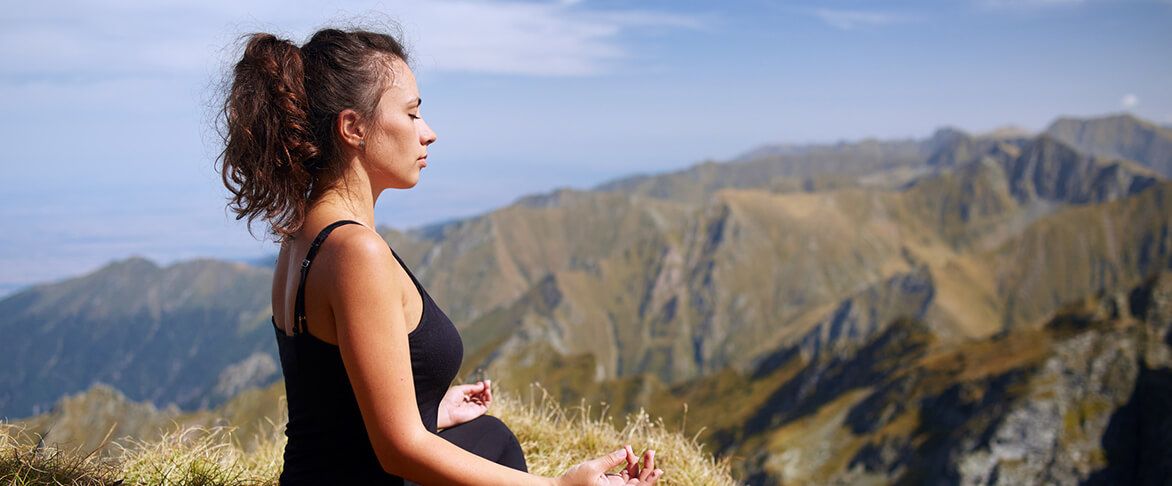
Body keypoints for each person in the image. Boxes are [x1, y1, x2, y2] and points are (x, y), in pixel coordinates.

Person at [217, 26, 664, 485]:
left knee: (486, 436)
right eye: (411, 114)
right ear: (353, 128)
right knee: (493, 445)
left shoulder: (301, 237)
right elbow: (398, 452)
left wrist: (428, 407)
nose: (428, 133)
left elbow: (326, 398)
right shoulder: (356, 252)